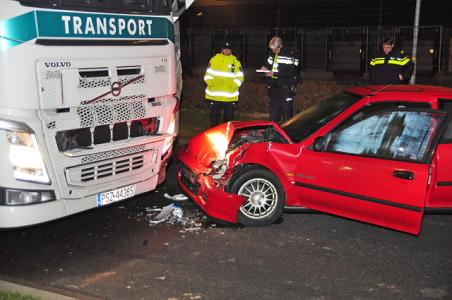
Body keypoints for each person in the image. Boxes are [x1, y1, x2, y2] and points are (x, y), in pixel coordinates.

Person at [204, 42, 244, 127]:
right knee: (214, 120)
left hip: (229, 96)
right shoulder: (214, 59)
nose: (227, 50)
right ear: (222, 49)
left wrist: (233, 86)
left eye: (228, 49)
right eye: (225, 48)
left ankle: (228, 137)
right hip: (215, 96)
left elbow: (240, 77)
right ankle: (213, 137)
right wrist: (211, 84)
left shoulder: (235, 61)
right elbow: (208, 74)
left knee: (228, 122)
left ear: (231, 50)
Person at [260, 36, 299, 123]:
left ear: (281, 46)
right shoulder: (272, 54)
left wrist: (274, 73)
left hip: (286, 88)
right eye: (272, 49)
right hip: (274, 88)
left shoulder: (290, 55)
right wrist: (264, 68)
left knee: (287, 114)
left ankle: (289, 134)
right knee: (273, 114)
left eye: (275, 49)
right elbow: (268, 64)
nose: (273, 51)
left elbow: (291, 72)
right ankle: (273, 133)